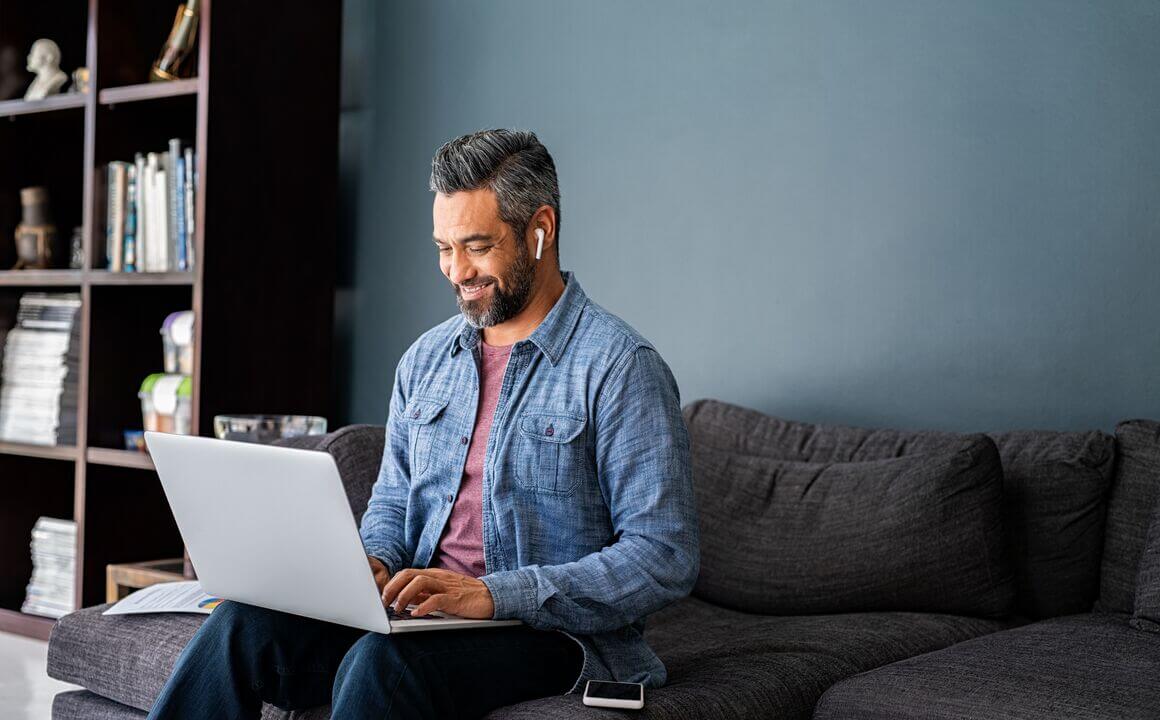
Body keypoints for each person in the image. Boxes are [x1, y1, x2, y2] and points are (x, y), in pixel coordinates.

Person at [147, 129, 699, 719]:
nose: (456, 271)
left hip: (550, 635)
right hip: (421, 620)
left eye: (478, 246)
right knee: (240, 625)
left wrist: (490, 595)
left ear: (541, 229)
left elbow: (663, 554)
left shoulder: (618, 368)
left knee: (382, 667)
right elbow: (391, 501)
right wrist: (373, 563)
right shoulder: (426, 360)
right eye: (443, 247)